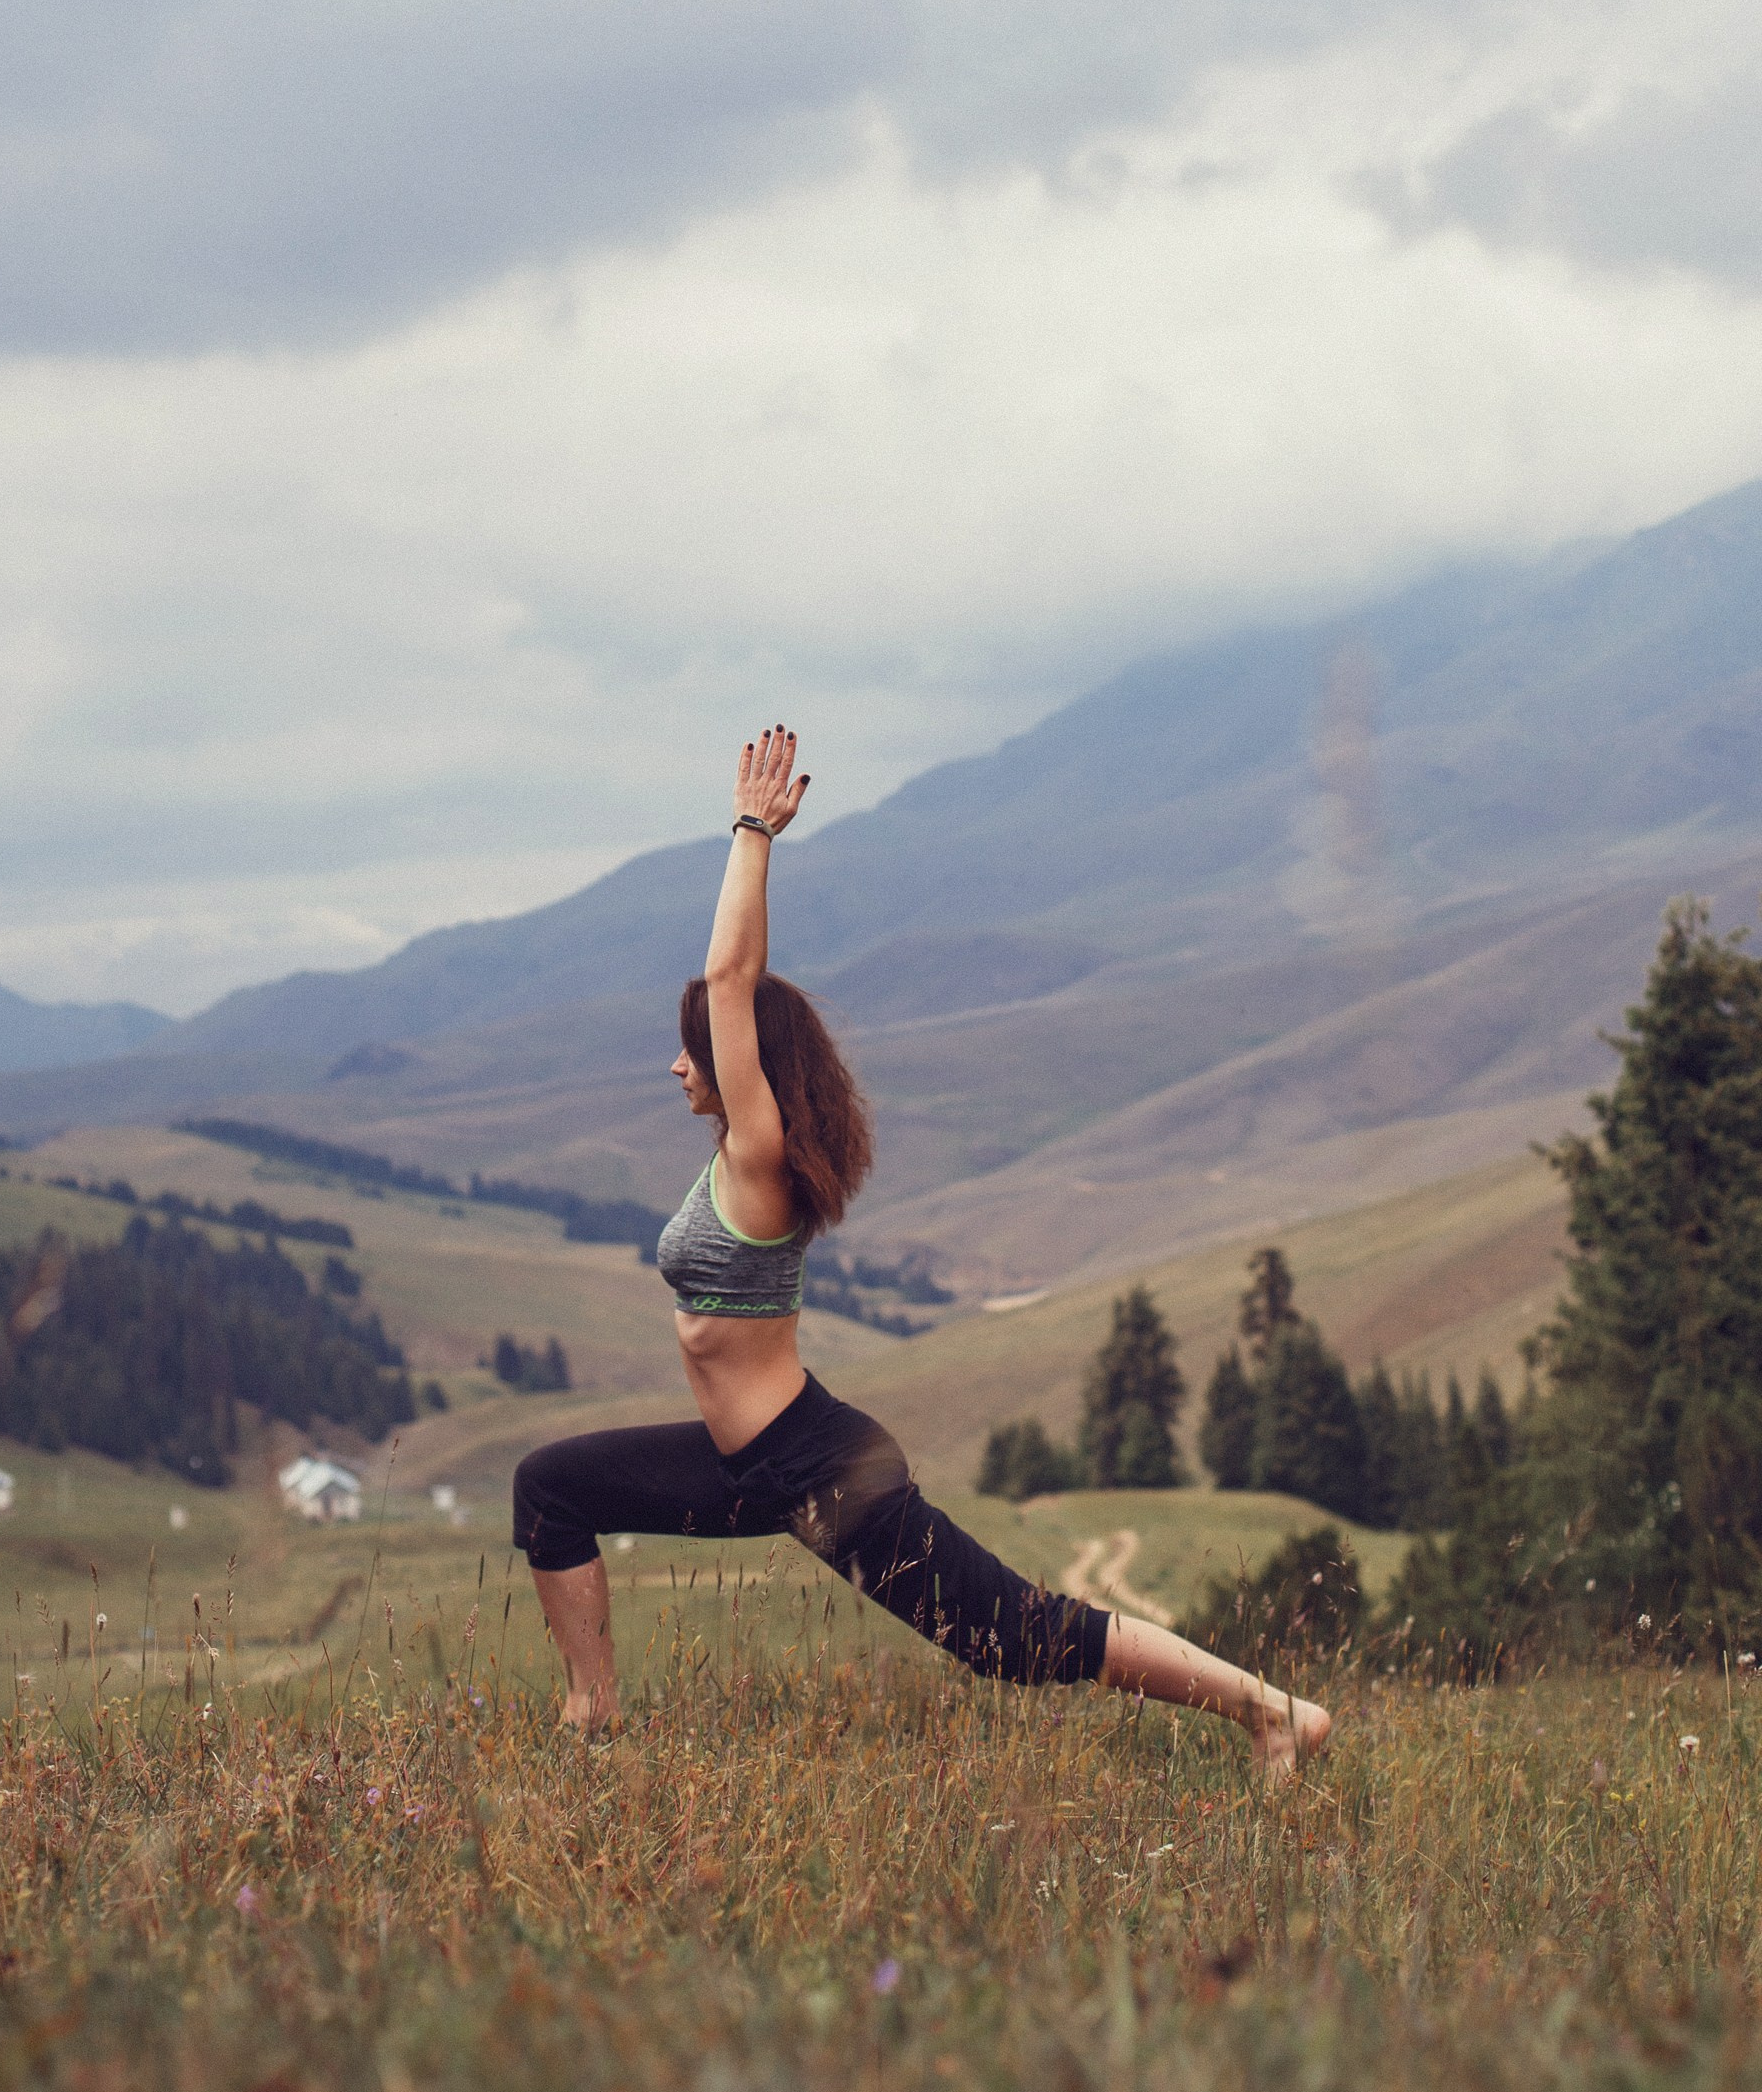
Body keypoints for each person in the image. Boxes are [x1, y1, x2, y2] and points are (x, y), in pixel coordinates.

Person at [513, 724, 1333, 1772]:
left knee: (1019, 1641)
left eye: (696, 1047)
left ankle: (1270, 1711)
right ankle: (591, 1718)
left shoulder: (759, 1157)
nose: (679, 1064)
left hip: (809, 1464)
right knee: (551, 1487)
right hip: (741, 1465)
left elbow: (729, 978)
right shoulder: (734, 1154)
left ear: (742, 1060)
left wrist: (751, 832)